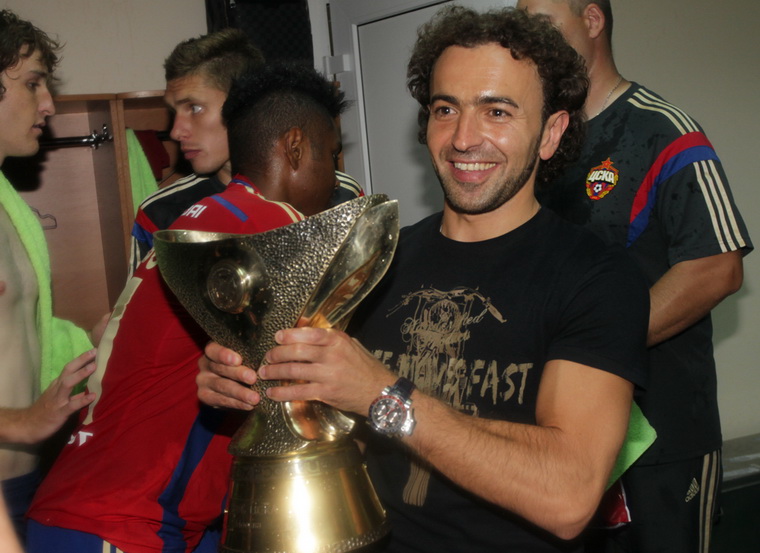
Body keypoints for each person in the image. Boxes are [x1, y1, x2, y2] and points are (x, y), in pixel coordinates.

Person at [196, 6, 653, 552]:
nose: (464, 138)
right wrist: (260, 383)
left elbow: (567, 495)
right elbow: (340, 426)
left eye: (497, 112)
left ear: (551, 133)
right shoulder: (373, 260)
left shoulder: (597, 277)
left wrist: (382, 395)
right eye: (445, 109)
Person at [26, 61, 348, 553]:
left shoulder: (206, 217)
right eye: (331, 154)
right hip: (122, 521)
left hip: (100, 508)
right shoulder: (277, 233)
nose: (336, 176)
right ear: (296, 147)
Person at [515, 2, 753, 552]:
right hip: (558, 437)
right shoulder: (538, 142)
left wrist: (595, 351)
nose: (529, 43)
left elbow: (718, 266)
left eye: (543, 25)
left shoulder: (663, 130)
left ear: (592, 20)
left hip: (663, 436)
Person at [129, 28, 363, 275]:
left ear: (243, 103)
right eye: (174, 112)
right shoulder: (159, 213)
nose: (176, 131)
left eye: (194, 108)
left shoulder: (342, 193)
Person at [0, 9, 103, 542]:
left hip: (23, 483)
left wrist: (93, 342)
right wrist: (21, 422)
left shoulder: (9, 209)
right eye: (32, 84)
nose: (49, 104)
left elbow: (23, 333)